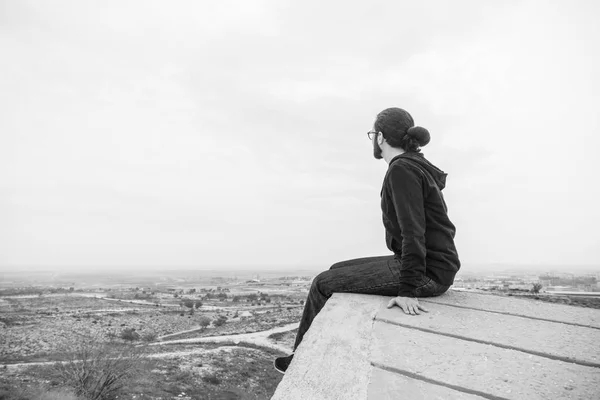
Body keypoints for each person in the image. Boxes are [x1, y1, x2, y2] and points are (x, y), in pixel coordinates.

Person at [274, 107, 460, 374]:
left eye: (373, 134)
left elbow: (414, 233)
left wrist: (407, 289)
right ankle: (317, 349)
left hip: (428, 272)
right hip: (433, 264)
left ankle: (301, 359)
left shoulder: (402, 170)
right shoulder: (411, 165)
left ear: (381, 137)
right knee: (336, 269)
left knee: (321, 283)